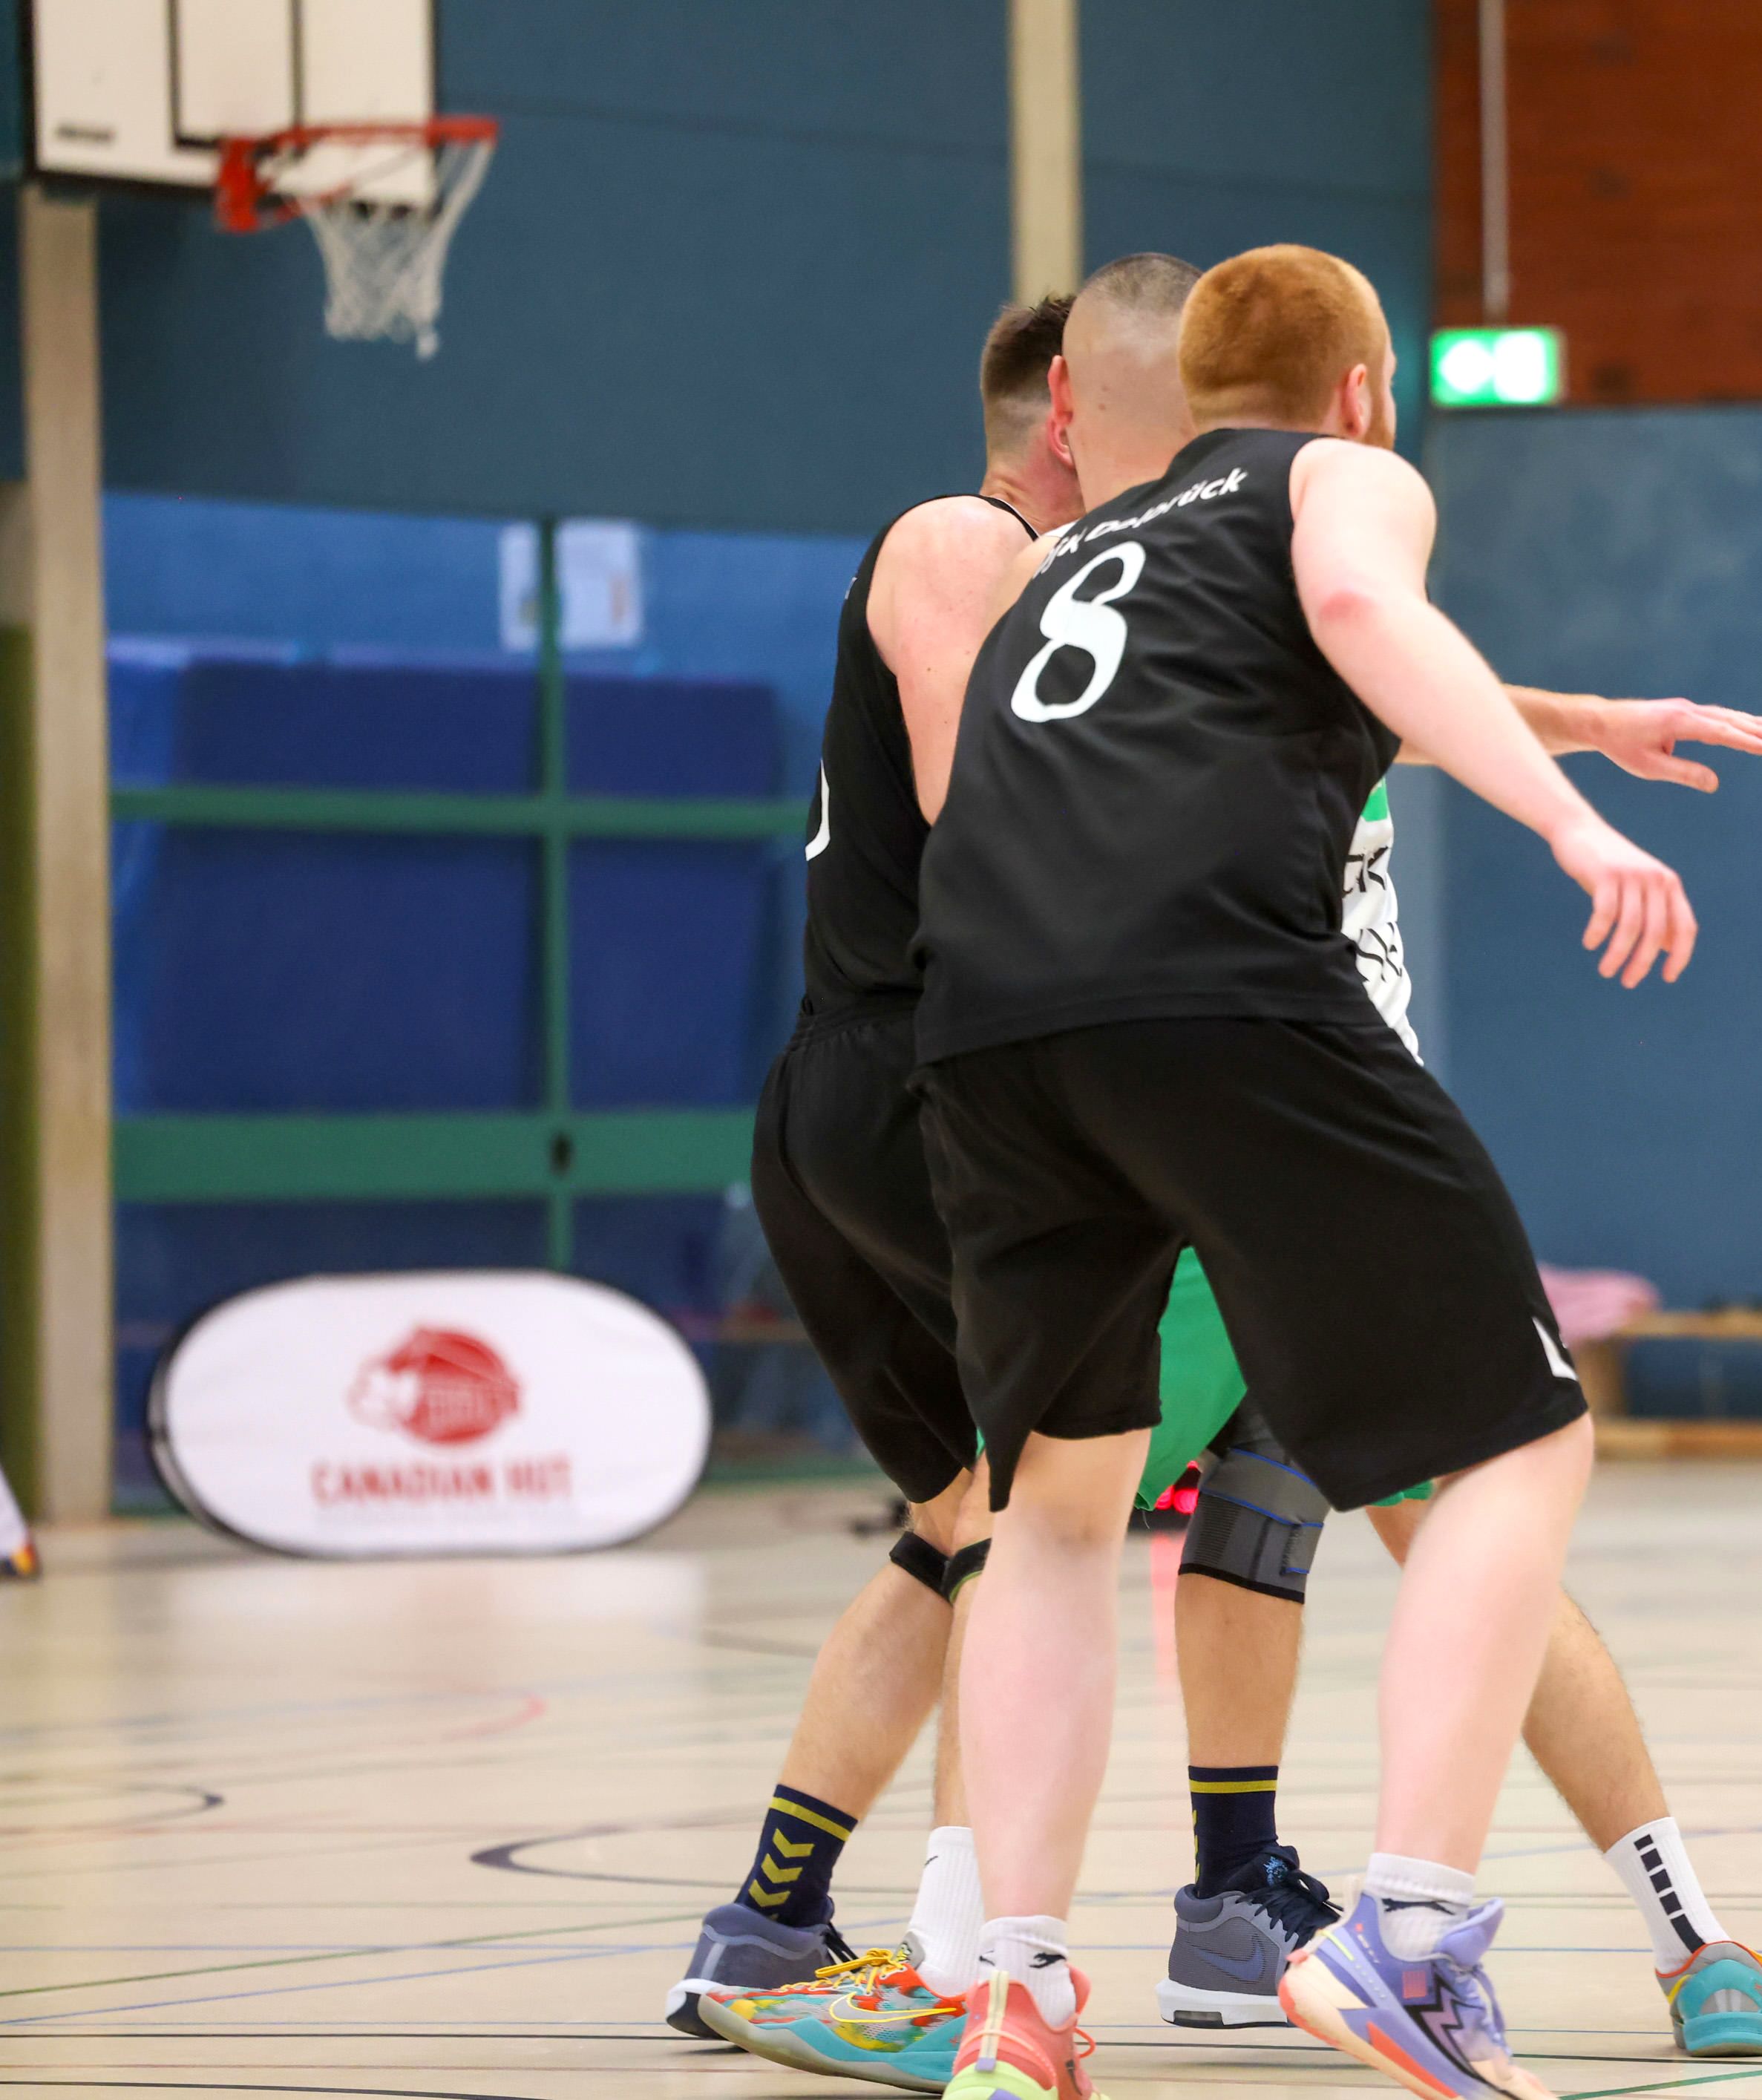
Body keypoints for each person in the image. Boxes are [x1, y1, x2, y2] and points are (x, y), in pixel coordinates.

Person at [683, 256, 1762, 2087]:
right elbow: (1358, 605)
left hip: (992, 1050)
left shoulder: (1073, 565)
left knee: (1041, 1516)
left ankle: (1015, 1987)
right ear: (1361, 389)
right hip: (1218, 1018)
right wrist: (1574, 817)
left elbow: (1258, 688)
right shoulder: (1333, 478)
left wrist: (1581, 716)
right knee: (1520, 1443)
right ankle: (1410, 1939)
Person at [661, 290, 1075, 2038]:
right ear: (1072, 410)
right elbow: (993, 822)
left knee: (960, 1516)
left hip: (854, 1082)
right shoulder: (970, 539)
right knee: (1041, 1522)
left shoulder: (1049, 577)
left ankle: (769, 1918)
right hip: (921, 1079)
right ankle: (968, 1966)